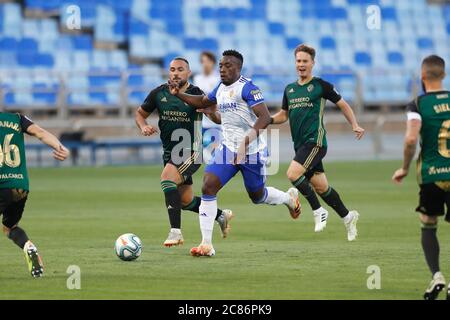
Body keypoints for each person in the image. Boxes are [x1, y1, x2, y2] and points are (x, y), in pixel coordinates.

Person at [169, 50, 300, 257]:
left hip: (252, 152)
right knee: (208, 185)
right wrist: (180, 95)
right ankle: (206, 244)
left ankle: (288, 198)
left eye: (227, 65)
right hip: (228, 149)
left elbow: (264, 118)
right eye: (221, 65)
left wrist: (244, 144)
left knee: (257, 196)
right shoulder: (220, 88)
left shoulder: (248, 88)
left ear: (238, 68)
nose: (222, 68)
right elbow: (204, 103)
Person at [135, 57, 233, 247]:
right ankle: (221, 215)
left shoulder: (197, 94)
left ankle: (175, 232)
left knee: (167, 179)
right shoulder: (159, 93)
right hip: (170, 153)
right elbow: (140, 113)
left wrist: (211, 113)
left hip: (191, 152)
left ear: (188, 73)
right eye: (172, 69)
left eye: (180, 69)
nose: (175, 73)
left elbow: (217, 118)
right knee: (186, 201)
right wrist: (143, 126)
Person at [271, 44, 364, 240]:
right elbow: (283, 115)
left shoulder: (321, 86)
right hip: (301, 145)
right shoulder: (290, 89)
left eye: (305, 61)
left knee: (292, 174)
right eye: (298, 61)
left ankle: (318, 211)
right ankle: (348, 217)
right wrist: (268, 120)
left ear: (313, 63)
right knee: (322, 188)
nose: (301, 64)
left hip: (316, 142)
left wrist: (355, 124)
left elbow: (343, 104)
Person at [392, 55, 450, 300]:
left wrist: (404, 167)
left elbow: (410, 139)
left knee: (428, 223)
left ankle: (437, 275)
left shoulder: (417, 104)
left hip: (431, 176)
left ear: (423, 76)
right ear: (444, 75)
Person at [0, 112, 69, 277]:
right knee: (9, 227)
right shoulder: (16, 119)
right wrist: (60, 147)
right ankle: (28, 246)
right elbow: (40, 133)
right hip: (20, 186)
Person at [193, 51, 222, 163]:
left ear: (213, 63)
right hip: (200, 122)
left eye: (207, 61)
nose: (205, 64)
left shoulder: (218, 79)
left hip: (214, 122)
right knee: (200, 155)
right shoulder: (197, 78)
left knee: (213, 153)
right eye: (203, 61)